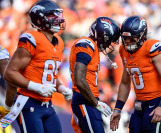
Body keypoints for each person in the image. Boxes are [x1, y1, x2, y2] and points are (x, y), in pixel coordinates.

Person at [3, 0, 73, 133]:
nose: (58, 20)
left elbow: (49, 75)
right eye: (53, 16)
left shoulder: (59, 42)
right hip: (28, 102)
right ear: (39, 20)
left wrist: (63, 88)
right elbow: (9, 73)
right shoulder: (31, 39)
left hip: (47, 104)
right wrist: (36, 87)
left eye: (58, 16)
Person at [110, 15, 161, 133]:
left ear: (142, 36)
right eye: (125, 38)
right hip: (139, 104)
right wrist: (118, 109)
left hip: (156, 103)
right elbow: (125, 82)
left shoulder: (151, 47)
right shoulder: (123, 51)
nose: (128, 42)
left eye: (132, 39)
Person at [69, 16, 120, 133]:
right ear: (100, 35)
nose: (108, 44)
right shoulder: (86, 44)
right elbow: (79, 79)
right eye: (108, 40)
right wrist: (96, 103)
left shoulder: (93, 47)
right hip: (85, 100)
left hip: (89, 100)